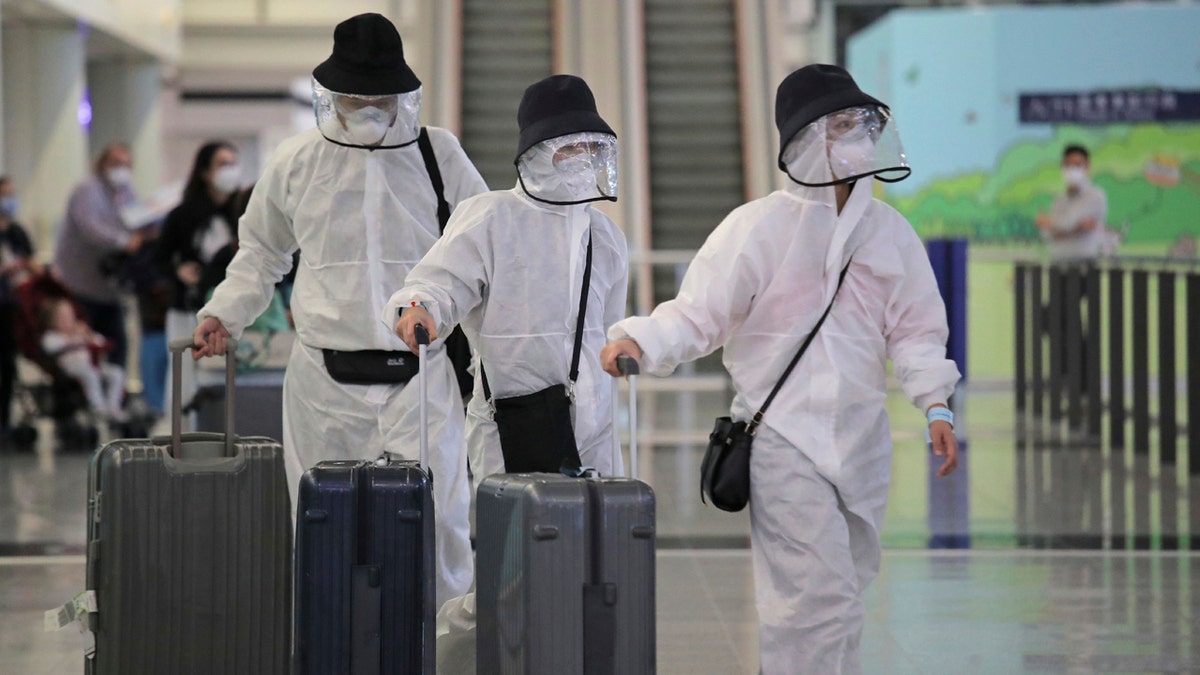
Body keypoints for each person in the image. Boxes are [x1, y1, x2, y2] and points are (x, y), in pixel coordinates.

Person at [599, 64, 960, 674]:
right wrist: (638, 339)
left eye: (863, 125)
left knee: (842, 598)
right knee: (816, 603)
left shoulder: (889, 234)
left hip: (862, 441)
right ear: (805, 141)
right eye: (841, 126)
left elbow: (917, 331)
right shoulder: (758, 228)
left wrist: (937, 404)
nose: (858, 139)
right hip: (783, 441)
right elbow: (699, 314)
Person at [191, 13, 487, 608]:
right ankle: (328, 645)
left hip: (419, 375)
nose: (370, 108)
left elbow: (480, 249)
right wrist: (225, 314)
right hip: (323, 379)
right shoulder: (298, 160)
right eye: (356, 97)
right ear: (333, 93)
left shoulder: (439, 155)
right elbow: (262, 251)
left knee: (441, 523)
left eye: (381, 97)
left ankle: (443, 651)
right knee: (323, 523)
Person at [387, 73, 627, 673]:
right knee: (510, 573)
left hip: (592, 426)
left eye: (591, 148)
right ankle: (443, 659)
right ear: (536, 152)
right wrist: (418, 308)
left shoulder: (605, 235)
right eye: (568, 147)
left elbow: (608, 328)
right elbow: (439, 281)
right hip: (510, 424)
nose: (582, 160)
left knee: (595, 564)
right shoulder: (489, 218)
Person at [158, 141, 241, 419]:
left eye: (233, 163)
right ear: (205, 172)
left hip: (229, 309)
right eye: (222, 164)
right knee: (184, 375)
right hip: (187, 307)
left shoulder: (242, 214)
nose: (230, 171)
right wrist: (179, 271)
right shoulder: (182, 215)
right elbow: (158, 260)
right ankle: (182, 439)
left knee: (227, 377)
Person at [54, 143, 146, 370]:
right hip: (80, 286)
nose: (121, 169)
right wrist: (124, 241)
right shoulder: (88, 189)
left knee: (117, 346)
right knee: (84, 350)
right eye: (116, 163)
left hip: (109, 289)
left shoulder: (125, 192)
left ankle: (117, 399)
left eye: (126, 164)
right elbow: (91, 228)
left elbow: (136, 218)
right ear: (102, 164)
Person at [39, 297, 126, 422]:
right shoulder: (52, 336)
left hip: (93, 365)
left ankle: (113, 406)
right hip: (71, 368)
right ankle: (97, 406)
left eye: (69, 316)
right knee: (90, 374)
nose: (67, 321)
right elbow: (49, 347)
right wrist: (72, 339)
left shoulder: (81, 332)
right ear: (52, 320)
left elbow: (101, 342)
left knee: (116, 373)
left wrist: (88, 336)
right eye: (62, 318)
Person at [0, 176, 36, 438]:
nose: (9, 200)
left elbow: (31, 261)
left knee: (7, 363)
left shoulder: (16, 232)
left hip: (12, 307)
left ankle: (4, 420)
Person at [1036, 144, 1108, 260]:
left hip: (1084, 264)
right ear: (1062, 167)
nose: (1072, 170)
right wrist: (1077, 229)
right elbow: (1046, 234)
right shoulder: (1059, 199)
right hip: (1057, 263)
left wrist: (1049, 223)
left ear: (1087, 167)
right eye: (1068, 165)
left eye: (1077, 165)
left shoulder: (1095, 196)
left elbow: (1067, 223)